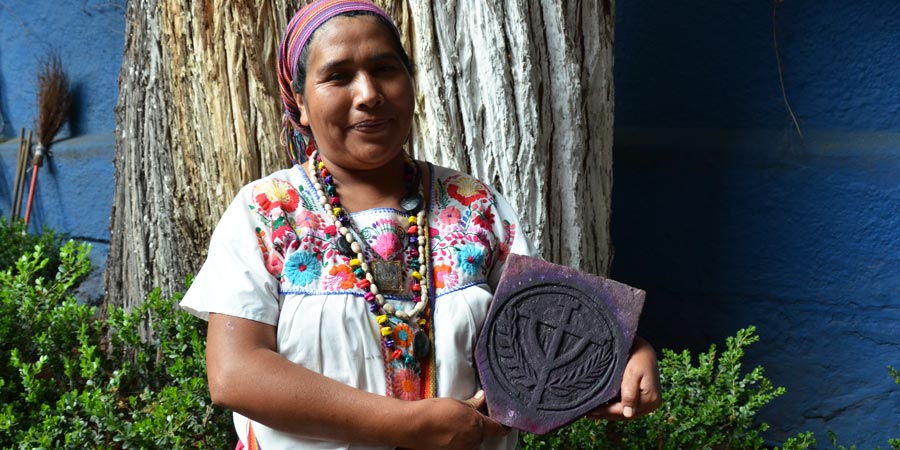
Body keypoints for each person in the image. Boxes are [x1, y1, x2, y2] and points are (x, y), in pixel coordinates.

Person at [180, 1, 661, 449]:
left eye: (385, 69)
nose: (368, 94)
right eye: (338, 77)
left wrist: (627, 354)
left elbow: (542, 330)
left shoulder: (474, 206)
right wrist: (409, 425)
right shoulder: (267, 212)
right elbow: (236, 374)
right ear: (300, 103)